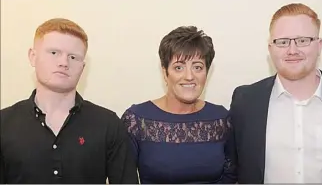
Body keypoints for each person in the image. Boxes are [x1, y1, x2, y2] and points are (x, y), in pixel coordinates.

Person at [228, 3, 322, 184]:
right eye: (282, 42)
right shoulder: (245, 101)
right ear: (270, 48)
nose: (292, 50)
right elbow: (232, 170)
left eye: (303, 40)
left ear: (319, 45)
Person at [0, 18, 138, 184]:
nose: (63, 63)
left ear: (82, 67)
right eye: (54, 53)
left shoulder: (109, 124)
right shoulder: (4, 123)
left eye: (73, 57)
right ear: (32, 57)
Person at [121, 26, 236, 184]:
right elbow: (123, 179)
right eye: (179, 67)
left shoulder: (221, 119)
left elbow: (231, 176)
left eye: (197, 67)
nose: (189, 76)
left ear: (206, 73)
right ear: (165, 73)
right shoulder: (137, 120)